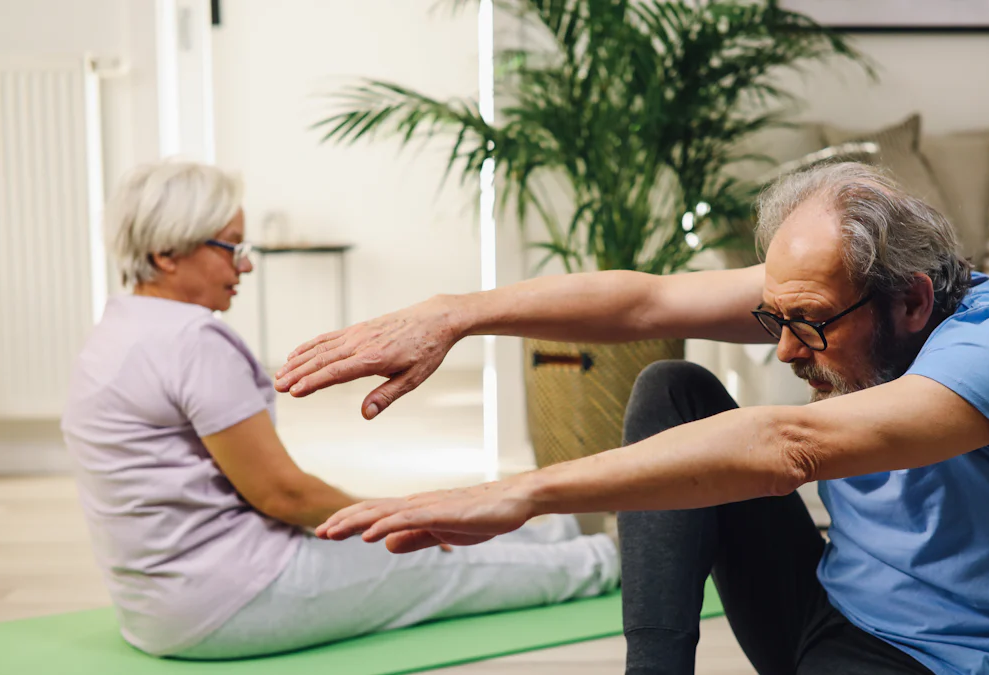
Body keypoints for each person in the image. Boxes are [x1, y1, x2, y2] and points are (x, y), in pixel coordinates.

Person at [275, 162, 989, 675]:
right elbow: (645, 298)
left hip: (946, 660)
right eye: (775, 317)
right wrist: (452, 313)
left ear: (913, 299)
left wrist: (520, 494)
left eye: (808, 324)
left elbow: (788, 445)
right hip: (822, 608)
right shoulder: (846, 299)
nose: (787, 350)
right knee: (673, 385)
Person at [60, 160, 619, 660]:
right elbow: (284, 495)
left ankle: (564, 530)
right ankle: (615, 561)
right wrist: (396, 517)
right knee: (431, 561)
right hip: (228, 601)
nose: (245, 267)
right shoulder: (193, 342)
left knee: (431, 528)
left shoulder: (116, 330)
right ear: (167, 252)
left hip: (157, 609)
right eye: (231, 248)